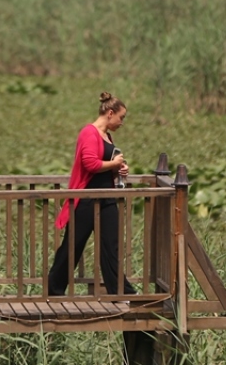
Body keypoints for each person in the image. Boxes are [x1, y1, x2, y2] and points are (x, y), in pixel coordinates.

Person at [47, 92, 137, 297]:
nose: (122, 123)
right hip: (86, 198)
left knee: (110, 246)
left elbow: (103, 164)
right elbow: (90, 164)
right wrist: (113, 164)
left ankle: (121, 291)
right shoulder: (89, 132)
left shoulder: (107, 136)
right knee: (74, 245)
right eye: (121, 118)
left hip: (106, 197)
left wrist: (118, 169)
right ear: (110, 113)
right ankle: (54, 288)